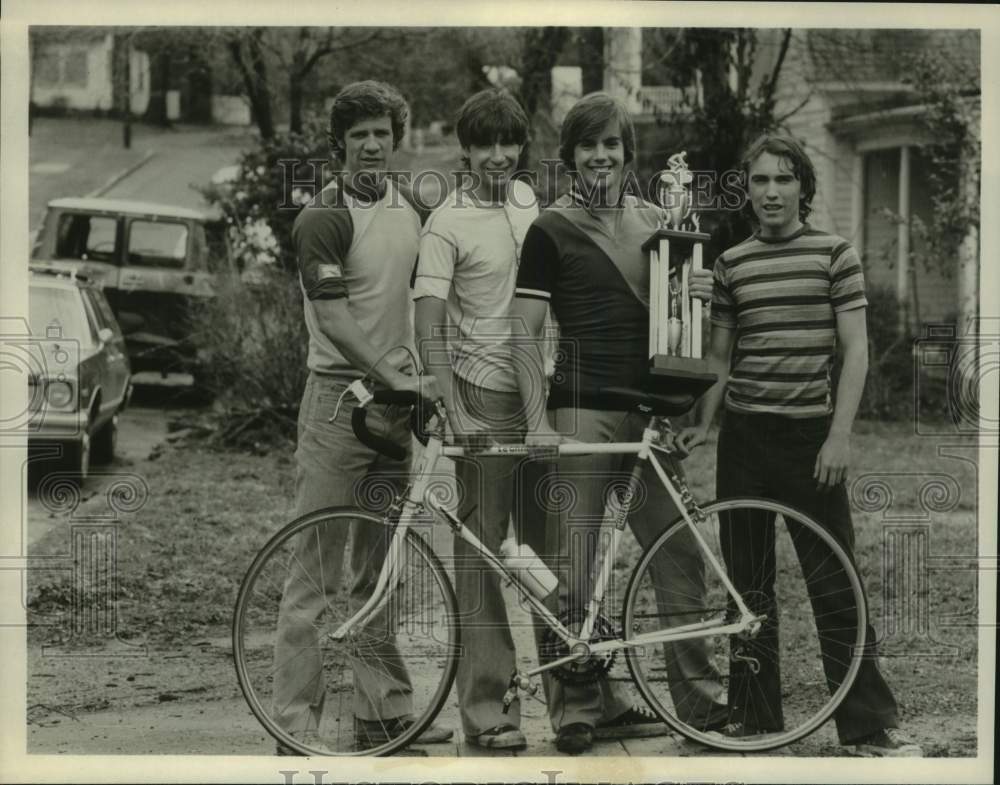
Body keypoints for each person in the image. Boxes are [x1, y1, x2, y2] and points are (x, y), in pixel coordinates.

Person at [677, 133, 923, 757]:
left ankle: (866, 723)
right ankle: (756, 718)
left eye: (783, 180)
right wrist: (705, 424)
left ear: (803, 188)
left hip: (812, 440)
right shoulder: (733, 263)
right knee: (748, 587)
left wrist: (839, 435)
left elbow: (857, 349)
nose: (771, 192)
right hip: (745, 440)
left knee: (834, 581)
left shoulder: (834, 255)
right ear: (748, 190)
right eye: (759, 181)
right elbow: (721, 357)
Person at [511, 91, 730, 755]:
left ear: (628, 154)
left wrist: (700, 291)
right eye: (588, 145)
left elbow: (682, 328)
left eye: (612, 144)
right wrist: (535, 422)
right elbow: (523, 331)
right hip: (579, 408)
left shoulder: (661, 221)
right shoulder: (549, 227)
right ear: (571, 156)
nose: (601, 155)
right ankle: (575, 709)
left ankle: (702, 701)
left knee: (681, 553)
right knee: (572, 570)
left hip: (648, 416)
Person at [271, 80, 452, 754]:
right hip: (337, 402)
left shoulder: (409, 207)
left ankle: (384, 710)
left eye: (381, 133)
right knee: (314, 564)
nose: (372, 145)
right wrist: (390, 372)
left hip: (393, 404)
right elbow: (334, 316)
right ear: (340, 146)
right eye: (359, 137)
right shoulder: (323, 217)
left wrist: (416, 379)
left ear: (395, 139)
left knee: (382, 565)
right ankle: (294, 721)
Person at [413, 87, 538, 751]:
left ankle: (581, 695)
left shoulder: (528, 203)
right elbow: (427, 322)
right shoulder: (448, 221)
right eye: (484, 143)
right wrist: (453, 407)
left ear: (521, 147)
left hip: (539, 396)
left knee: (549, 552)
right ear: (465, 148)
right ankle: (488, 710)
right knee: (482, 553)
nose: (497, 156)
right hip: (482, 397)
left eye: (507, 143)